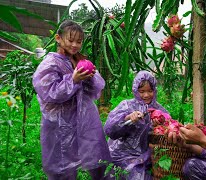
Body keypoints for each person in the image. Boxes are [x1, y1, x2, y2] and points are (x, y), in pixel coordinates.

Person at [32, 20, 110, 180]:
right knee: (61, 164)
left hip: (85, 119)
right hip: (59, 124)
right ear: (58, 38)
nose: (75, 45)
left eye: (79, 42)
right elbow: (50, 93)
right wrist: (72, 80)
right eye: (70, 40)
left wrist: (90, 77)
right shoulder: (50, 63)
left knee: (96, 154)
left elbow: (95, 90)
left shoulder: (78, 60)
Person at [104, 70, 169, 180]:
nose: (146, 95)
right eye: (142, 91)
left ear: (155, 90)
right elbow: (110, 130)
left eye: (150, 91)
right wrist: (127, 118)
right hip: (123, 154)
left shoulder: (160, 110)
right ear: (135, 90)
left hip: (149, 155)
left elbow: (170, 129)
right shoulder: (126, 106)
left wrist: (161, 126)